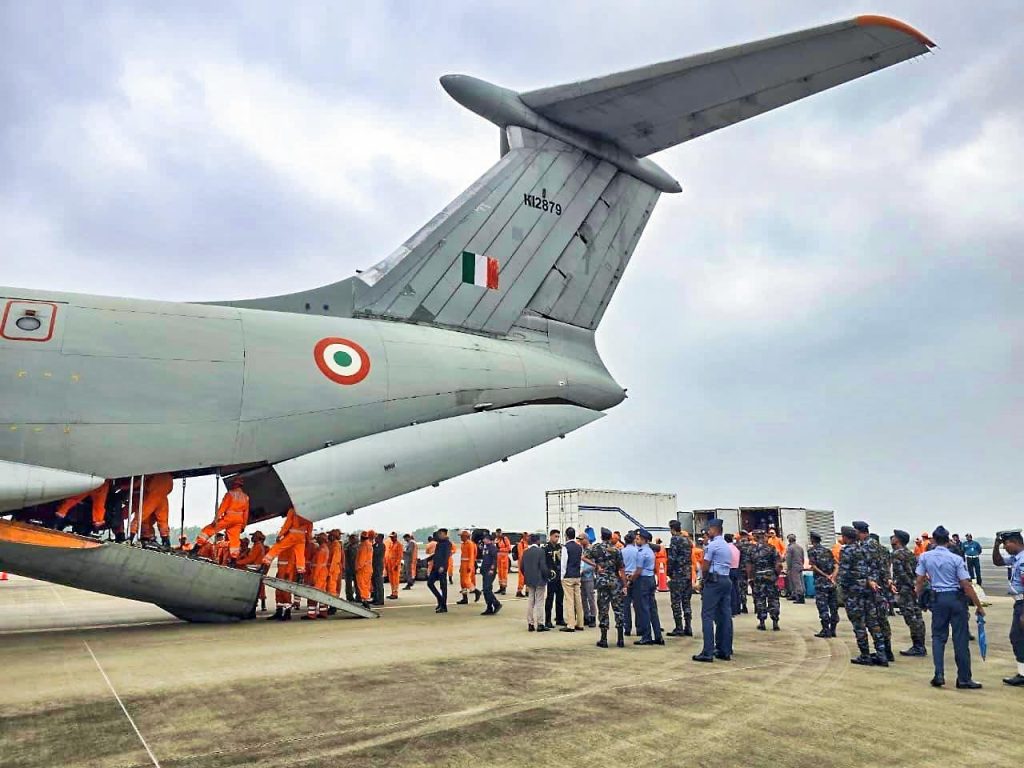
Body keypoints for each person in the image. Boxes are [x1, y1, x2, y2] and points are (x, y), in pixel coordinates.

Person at [915, 526, 984, 688]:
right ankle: (964, 679)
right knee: (960, 639)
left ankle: (939, 674)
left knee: (938, 638)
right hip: (956, 599)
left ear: (933, 540)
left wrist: (920, 600)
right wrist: (978, 606)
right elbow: (966, 585)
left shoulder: (925, 557)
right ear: (948, 541)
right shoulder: (956, 559)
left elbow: (919, 581)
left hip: (938, 599)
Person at [839, 525, 889, 667]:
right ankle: (882, 654)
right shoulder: (864, 549)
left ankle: (865, 655)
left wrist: (843, 590)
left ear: (846, 537)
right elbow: (872, 568)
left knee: (858, 624)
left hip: (854, 593)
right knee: (873, 623)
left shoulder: (847, 551)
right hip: (868, 590)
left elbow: (844, 574)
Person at [692, 519, 733, 662]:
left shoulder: (712, 545)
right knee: (725, 616)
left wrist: (702, 581)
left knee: (707, 615)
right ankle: (724, 650)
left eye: (708, 529)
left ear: (714, 530)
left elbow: (705, 566)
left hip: (714, 581)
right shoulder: (727, 546)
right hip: (726, 580)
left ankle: (707, 652)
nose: (707, 532)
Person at [855, 522, 894, 661]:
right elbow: (886, 567)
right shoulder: (881, 547)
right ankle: (888, 651)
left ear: (860, 532)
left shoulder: (864, 547)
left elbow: (864, 568)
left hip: (870, 589)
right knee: (883, 620)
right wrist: (888, 581)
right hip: (882, 589)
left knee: (873, 621)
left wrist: (869, 581)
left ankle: (881, 654)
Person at [991, 530, 1024, 687]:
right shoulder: (1016, 558)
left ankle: (1023, 675)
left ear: (1016, 542)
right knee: (1018, 638)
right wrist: (995, 546)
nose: (1005, 547)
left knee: (1017, 637)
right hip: (1019, 603)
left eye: (1006, 544)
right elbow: (997, 561)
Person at [586, 527, 626, 648]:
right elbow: (621, 568)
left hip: (602, 582)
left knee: (603, 610)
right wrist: (624, 584)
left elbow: (584, 557)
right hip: (614, 582)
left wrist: (596, 565)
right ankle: (620, 638)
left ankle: (604, 639)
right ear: (610, 537)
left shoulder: (596, 548)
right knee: (618, 609)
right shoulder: (616, 550)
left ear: (601, 536)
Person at [195, 476, 249, 564]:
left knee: (208, 529)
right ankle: (233, 561)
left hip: (229, 518)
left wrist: (215, 520)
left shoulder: (230, 494)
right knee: (235, 541)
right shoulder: (246, 497)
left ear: (235, 484)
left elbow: (222, 508)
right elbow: (246, 513)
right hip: (238, 521)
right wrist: (243, 525)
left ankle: (196, 548)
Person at [890, 529, 926, 656]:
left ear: (898, 540)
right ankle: (920, 645)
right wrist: (916, 586)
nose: (892, 538)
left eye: (894, 537)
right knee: (917, 616)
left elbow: (900, 573)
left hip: (906, 589)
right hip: (913, 588)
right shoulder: (909, 553)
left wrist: (908, 586)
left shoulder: (896, 554)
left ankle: (918, 647)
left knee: (910, 617)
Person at [262, 507, 313, 584]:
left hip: (293, 535)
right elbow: (310, 528)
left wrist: (280, 535)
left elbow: (288, 523)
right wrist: (308, 540)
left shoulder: (293, 510)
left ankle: (264, 565)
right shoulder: (308, 513)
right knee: (300, 556)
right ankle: (301, 576)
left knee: (277, 547)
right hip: (301, 537)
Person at [631, 529, 663, 646]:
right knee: (652, 609)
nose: (636, 540)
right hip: (650, 579)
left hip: (642, 580)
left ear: (644, 540)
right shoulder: (650, 551)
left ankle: (646, 636)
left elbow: (638, 571)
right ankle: (658, 635)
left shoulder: (641, 552)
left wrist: (631, 579)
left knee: (643, 609)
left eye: (638, 538)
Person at [127, 473, 174, 550]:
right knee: (163, 521)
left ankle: (130, 538)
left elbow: (138, 483)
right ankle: (166, 543)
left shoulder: (153, 472)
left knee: (139, 517)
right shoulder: (169, 476)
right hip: (163, 498)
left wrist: (121, 487)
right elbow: (170, 489)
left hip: (152, 497)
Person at [748, 530, 782, 631]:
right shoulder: (772, 548)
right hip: (770, 576)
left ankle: (762, 622)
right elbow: (778, 565)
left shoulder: (752, 550)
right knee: (773, 598)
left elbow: (749, 566)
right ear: (765, 537)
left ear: (755, 537)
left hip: (758, 577)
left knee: (760, 599)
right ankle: (775, 622)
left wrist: (750, 577)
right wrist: (776, 575)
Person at [807, 532, 839, 638]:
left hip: (821, 583)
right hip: (831, 583)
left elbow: (814, 566)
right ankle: (833, 629)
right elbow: (836, 565)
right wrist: (832, 577)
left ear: (812, 540)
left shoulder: (811, 551)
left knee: (823, 607)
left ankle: (826, 630)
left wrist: (825, 575)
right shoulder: (828, 551)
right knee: (833, 607)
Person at [666, 520, 694, 636]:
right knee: (686, 601)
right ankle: (688, 626)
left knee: (676, 601)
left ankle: (679, 627)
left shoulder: (675, 539)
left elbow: (672, 558)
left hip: (678, 574)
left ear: (672, 529)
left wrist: (669, 571)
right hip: (687, 573)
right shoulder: (687, 540)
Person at [520, 533, 548, 631]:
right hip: (540, 579)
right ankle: (540, 624)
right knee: (540, 602)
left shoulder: (525, 552)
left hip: (529, 580)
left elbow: (522, 567)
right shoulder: (540, 551)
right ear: (538, 541)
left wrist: (527, 576)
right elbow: (543, 566)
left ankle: (530, 624)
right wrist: (546, 576)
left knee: (530, 601)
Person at [235, 530, 268, 612]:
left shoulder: (257, 546)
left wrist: (237, 562)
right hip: (257, 566)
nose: (252, 538)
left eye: (253, 536)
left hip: (255, 567)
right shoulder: (257, 545)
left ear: (257, 537)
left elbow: (250, 559)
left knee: (240, 569)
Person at [560, 526, 584, 632]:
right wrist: (579, 572)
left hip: (568, 576)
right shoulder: (579, 547)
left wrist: (562, 576)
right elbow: (582, 562)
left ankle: (571, 624)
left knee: (569, 601)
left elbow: (563, 563)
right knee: (578, 600)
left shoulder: (565, 547)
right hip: (577, 576)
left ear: (566, 536)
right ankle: (580, 623)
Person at [426, 528, 453, 612]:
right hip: (435, 566)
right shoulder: (439, 543)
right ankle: (440, 600)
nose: (439, 535)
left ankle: (443, 606)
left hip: (442, 568)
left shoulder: (447, 544)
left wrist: (443, 566)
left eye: (440, 534)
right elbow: (435, 555)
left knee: (443, 587)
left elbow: (446, 556)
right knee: (430, 583)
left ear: (444, 534)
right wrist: (426, 560)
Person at [543, 529, 564, 628]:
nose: (557, 538)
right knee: (550, 599)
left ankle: (560, 618)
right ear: (550, 536)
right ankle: (548, 620)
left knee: (560, 599)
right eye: (555, 536)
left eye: (558, 537)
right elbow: (544, 563)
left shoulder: (560, 548)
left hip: (560, 576)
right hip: (551, 577)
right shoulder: (546, 548)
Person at [478, 531, 502, 616]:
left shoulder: (492, 548)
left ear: (489, 540)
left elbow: (495, 560)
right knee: (486, 590)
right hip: (485, 571)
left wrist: (492, 569)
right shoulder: (485, 548)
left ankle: (496, 603)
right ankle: (489, 607)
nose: (484, 540)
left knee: (487, 589)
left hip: (490, 571)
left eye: (485, 539)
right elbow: (484, 559)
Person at [620, 531, 639, 635]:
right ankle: (639, 627)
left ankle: (627, 628)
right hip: (635, 577)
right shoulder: (637, 551)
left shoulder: (622, 551)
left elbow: (620, 567)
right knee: (637, 604)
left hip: (625, 578)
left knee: (625, 605)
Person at [456, 530, 481, 605]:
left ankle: (476, 591)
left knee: (466, 581)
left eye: (462, 536)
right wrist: (461, 567)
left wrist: (470, 566)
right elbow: (462, 556)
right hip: (463, 564)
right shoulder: (463, 544)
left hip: (468, 564)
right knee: (462, 582)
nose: (461, 537)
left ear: (466, 536)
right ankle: (464, 598)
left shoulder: (470, 544)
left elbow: (472, 556)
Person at [579, 533, 597, 628]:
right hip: (581, 577)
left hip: (589, 577)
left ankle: (593, 617)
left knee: (590, 598)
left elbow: (594, 564)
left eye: (581, 539)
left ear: (586, 539)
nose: (580, 541)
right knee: (583, 598)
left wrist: (584, 570)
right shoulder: (581, 549)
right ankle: (586, 616)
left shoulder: (592, 549)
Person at [784, 534, 806, 604]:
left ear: (789, 540)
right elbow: (802, 557)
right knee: (800, 581)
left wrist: (788, 567)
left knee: (796, 582)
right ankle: (796, 595)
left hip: (793, 567)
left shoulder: (790, 548)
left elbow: (788, 559)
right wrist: (801, 564)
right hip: (799, 566)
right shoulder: (800, 547)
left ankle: (800, 597)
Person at [735, 530, 752, 614]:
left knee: (741, 588)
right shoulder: (752, 545)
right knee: (755, 587)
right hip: (751, 569)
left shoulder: (737, 545)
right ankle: (757, 606)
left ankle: (744, 605)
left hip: (740, 568)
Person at [355, 531, 374, 607]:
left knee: (362, 585)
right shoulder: (370, 545)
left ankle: (365, 601)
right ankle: (366, 599)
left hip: (362, 569)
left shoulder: (363, 546)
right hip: (368, 568)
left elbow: (361, 559)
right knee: (367, 584)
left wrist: (357, 567)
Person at [725, 533, 741, 615]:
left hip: (729, 570)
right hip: (736, 569)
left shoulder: (726, 548)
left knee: (731, 591)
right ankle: (738, 608)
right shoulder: (736, 548)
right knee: (736, 589)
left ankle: (732, 609)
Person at [385, 532, 403, 600]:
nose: (391, 538)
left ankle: (395, 593)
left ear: (395, 537)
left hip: (395, 565)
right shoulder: (390, 544)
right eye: (391, 537)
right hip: (390, 564)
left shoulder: (399, 545)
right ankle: (392, 592)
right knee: (391, 580)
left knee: (395, 580)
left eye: (393, 537)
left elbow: (399, 556)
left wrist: (396, 564)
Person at [494, 529, 511, 595]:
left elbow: (509, 548)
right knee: (500, 574)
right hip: (498, 559)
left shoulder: (505, 539)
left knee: (504, 574)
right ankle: (501, 587)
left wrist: (500, 549)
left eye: (499, 533)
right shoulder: (496, 540)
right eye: (497, 533)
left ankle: (504, 589)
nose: (498, 534)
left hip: (504, 559)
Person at [343, 533, 359, 602]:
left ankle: (358, 596)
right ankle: (349, 597)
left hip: (355, 568)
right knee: (349, 584)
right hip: (349, 568)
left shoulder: (358, 546)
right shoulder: (346, 546)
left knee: (357, 584)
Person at [371, 532, 386, 606]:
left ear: (381, 539)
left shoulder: (382, 546)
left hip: (378, 566)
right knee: (374, 583)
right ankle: (375, 598)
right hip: (373, 566)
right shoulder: (375, 545)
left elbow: (375, 553)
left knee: (379, 583)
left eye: (377, 538)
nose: (375, 539)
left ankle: (380, 600)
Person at [515, 532, 530, 597]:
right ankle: (519, 591)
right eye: (527, 536)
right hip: (522, 563)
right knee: (521, 578)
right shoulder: (521, 544)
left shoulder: (526, 543)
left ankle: (527, 591)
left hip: (526, 563)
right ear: (524, 537)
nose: (528, 538)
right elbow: (521, 555)